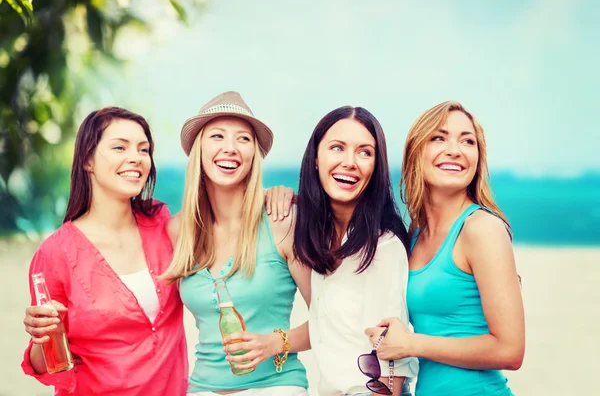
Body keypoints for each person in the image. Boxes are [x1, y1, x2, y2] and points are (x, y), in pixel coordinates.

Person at [21, 106, 294, 395]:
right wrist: (42, 337)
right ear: (88, 159)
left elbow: (223, 213)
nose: (135, 158)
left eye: (143, 149)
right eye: (119, 147)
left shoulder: (164, 225)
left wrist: (274, 194)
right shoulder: (56, 253)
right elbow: (47, 366)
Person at [366, 101, 525, 396]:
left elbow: (510, 350)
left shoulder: (482, 228)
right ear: (416, 152)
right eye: (439, 138)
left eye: (468, 141)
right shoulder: (414, 235)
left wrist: (412, 344)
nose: (455, 149)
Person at [161, 91, 311, 396]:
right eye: (217, 136)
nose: (230, 148)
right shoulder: (178, 230)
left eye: (243, 139)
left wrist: (275, 342)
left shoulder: (281, 221)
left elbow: (330, 318)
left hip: (277, 387)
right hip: (201, 389)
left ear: (253, 154)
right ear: (199, 149)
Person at [293, 106, 418, 396]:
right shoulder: (318, 235)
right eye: (337, 148)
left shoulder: (383, 246)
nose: (350, 162)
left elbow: (391, 360)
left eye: (365, 152)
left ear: (376, 168)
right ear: (315, 158)